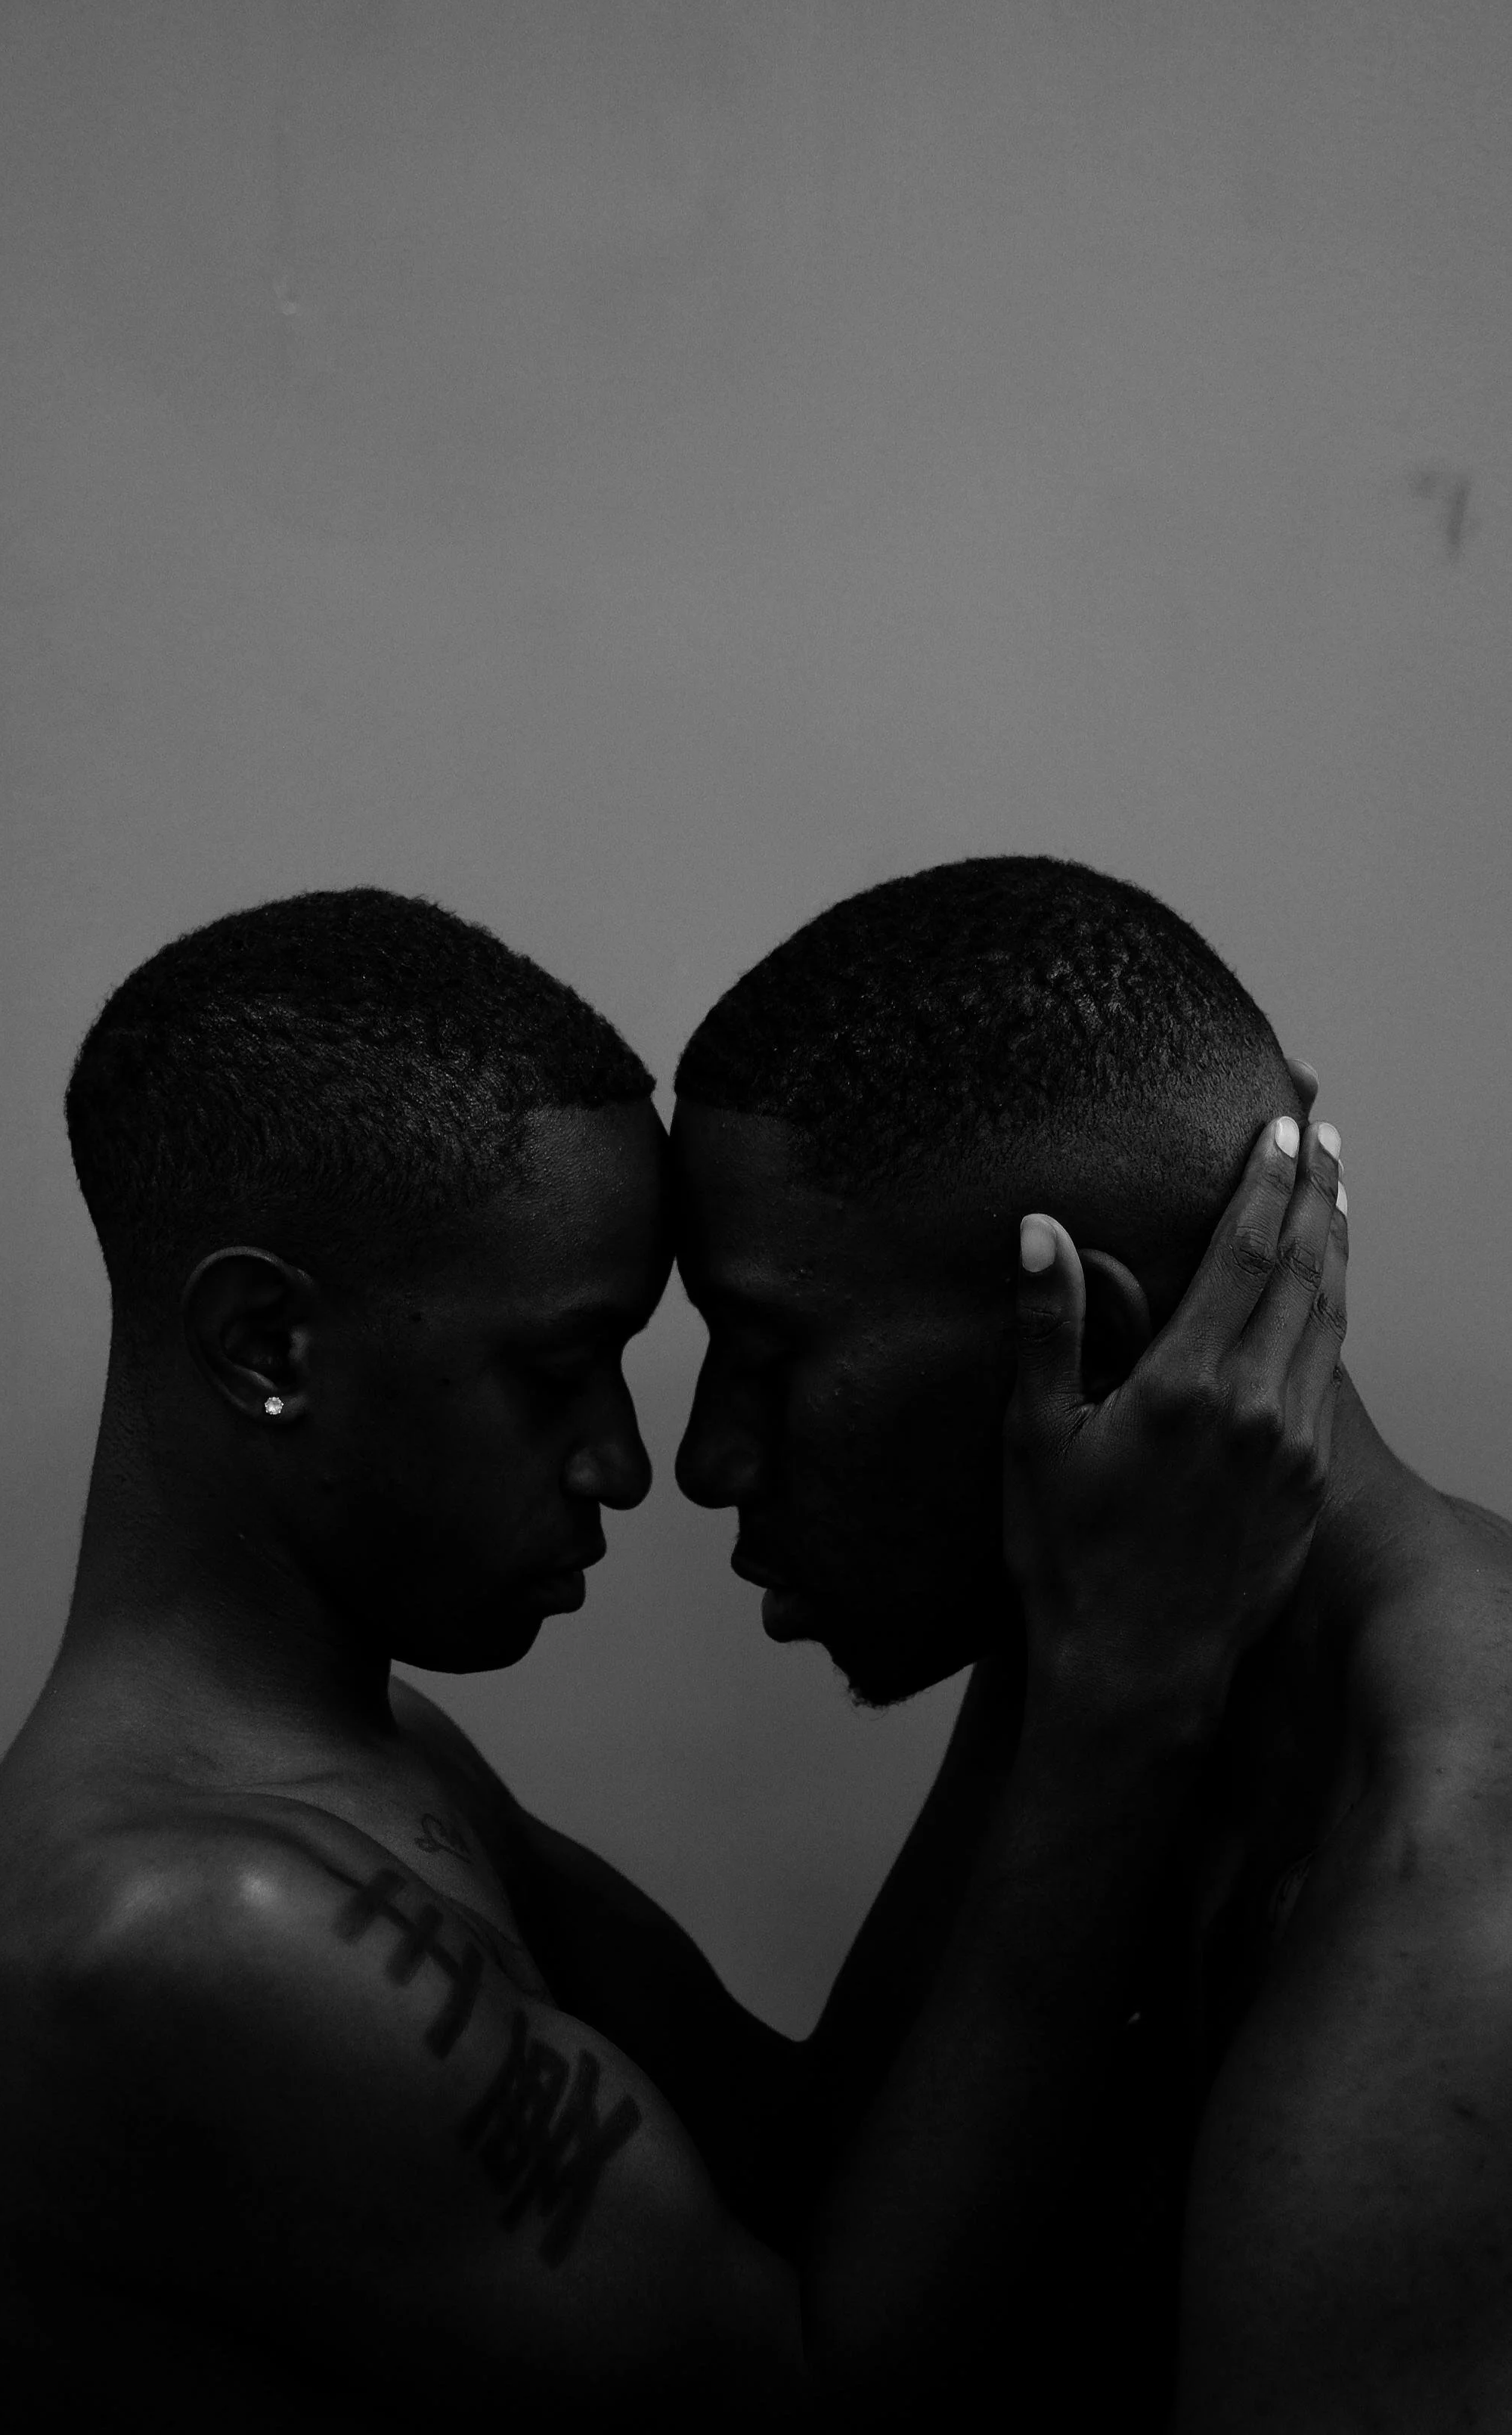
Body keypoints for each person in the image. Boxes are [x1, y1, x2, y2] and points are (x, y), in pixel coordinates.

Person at [0, 886, 1343, 2433]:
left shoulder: (366, 1762)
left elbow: (798, 2153)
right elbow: (811, 2395)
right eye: (556, 1370)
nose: (628, 1464)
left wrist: (1053, 1569)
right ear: (264, 1341)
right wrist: (1117, 1692)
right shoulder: (201, 1925)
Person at [671, 851, 1512, 2435]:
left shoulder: (1443, 1928)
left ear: (1098, 1348)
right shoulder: (1116, 1650)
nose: (705, 1457)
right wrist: (1077, 1672)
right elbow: (827, 2215)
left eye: (768, 1351)